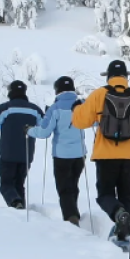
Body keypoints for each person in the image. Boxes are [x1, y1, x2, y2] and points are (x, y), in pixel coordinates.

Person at [70, 60, 130, 248]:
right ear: (126, 77)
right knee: (128, 195)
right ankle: (127, 234)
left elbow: (80, 121)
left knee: (105, 194)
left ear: (109, 76)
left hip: (106, 155)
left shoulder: (99, 94)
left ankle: (118, 213)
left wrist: (75, 108)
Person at [29, 76, 88, 225]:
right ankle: (74, 213)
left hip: (62, 155)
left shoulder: (55, 108)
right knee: (74, 185)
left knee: (64, 188)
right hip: (80, 154)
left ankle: (70, 217)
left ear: (57, 90)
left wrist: (29, 130)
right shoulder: (82, 105)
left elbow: (44, 132)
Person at [0, 80, 44, 209]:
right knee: (19, 184)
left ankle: (15, 203)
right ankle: (20, 208)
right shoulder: (35, 109)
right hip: (26, 154)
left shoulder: (5, 108)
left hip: (8, 154)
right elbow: (44, 127)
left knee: (6, 185)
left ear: (10, 92)